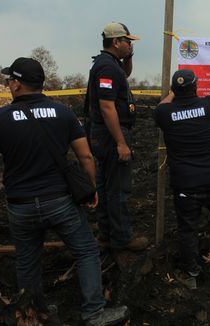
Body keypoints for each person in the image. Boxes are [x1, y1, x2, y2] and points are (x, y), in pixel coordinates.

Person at [0, 57, 129, 325]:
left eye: (10, 79)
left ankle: (33, 313)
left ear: (18, 84)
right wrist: (90, 189)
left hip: (20, 205)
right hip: (60, 202)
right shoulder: (64, 113)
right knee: (87, 251)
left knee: (27, 259)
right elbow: (86, 157)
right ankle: (94, 312)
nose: (9, 83)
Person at [153, 56, 210, 289]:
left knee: (187, 227)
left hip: (185, 183)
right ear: (196, 87)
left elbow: (162, 106)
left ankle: (191, 274)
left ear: (175, 89)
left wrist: (173, 92)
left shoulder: (164, 114)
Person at [87, 22, 148, 251]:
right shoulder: (106, 67)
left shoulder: (110, 64)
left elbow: (125, 75)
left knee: (105, 186)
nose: (130, 44)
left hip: (105, 135)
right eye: (127, 41)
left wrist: (129, 57)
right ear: (116, 42)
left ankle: (105, 235)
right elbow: (106, 107)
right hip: (111, 134)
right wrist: (121, 142)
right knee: (118, 189)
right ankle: (122, 239)